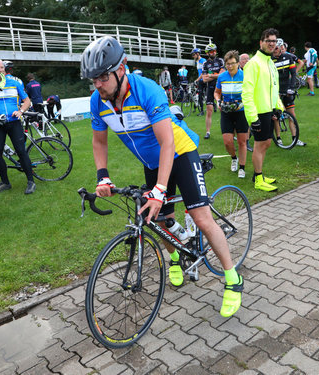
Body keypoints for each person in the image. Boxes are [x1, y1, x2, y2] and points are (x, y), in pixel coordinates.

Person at [81, 36, 244, 318]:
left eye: (103, 77)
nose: (98, 85)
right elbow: (100, 142)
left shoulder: (148, 91)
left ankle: (233, 279)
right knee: (157, 219)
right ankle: (176, 258)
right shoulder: (99, 101)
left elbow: (167, 143)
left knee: (202, 217)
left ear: (122, 68)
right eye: (93, 79)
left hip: (179, 152)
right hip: (152, 162)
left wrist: (158, 189)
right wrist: (103, 176)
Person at [0, 58, 36, 195]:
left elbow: (27, 101)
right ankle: (5, 182)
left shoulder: (14, 83)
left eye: (2, 68)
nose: (0, 70)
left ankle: (31, 181)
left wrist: (20, 111)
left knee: (21, 151)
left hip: (14, 122)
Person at [242, 28, 284, 192]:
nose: (272, 44)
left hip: (268, 110)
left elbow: (274, 88)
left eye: (274, 41)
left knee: (266, 142)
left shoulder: (270, 63)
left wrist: (278, 107)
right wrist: (253, 118)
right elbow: (247, 93)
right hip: (258, 112)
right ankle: (258, 179)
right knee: (260, 144)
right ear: (261, 42)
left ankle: (258, 174)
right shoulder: (253, 63)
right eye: (269, 41)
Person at [214, 50, 248, 178]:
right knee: (227, 142)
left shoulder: (244, 76)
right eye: (227, 64)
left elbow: (250, 93)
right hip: (226, 111)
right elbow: (217, 92)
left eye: (232, 63)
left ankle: (242, 168)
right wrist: (218, 101)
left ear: (238, 63)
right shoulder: (222, 77)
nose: (230, 66)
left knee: (242, 142)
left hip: (241, 111)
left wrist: (242, 103)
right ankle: (234, 158)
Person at [272, 38, 306, 147]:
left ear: (281, 47)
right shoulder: (269, 60)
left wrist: (291, 88)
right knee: (276, 116)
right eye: (274, 48)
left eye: (277, 48)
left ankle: (295, 138)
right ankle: (278, 138)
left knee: (292, 115)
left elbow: (293, 74)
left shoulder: (288, 57)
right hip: (276, 91)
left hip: (287, 89)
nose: (275, 50)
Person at [202, 43, 225, 139]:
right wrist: (215, 75)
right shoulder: (205, 64)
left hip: (221, 88)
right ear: (207, 53)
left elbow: (222, 75)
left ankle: (228, 131)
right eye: (211, 51)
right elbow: (204, 79)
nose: (214, 52)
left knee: (224, 109)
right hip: (210, 88)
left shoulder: (220, 61)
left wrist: (210, 75)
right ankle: (208, 132)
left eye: (215, 51)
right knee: (209, 110)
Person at [192, 48, 206, 116]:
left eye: (193, 55)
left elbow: (203, 72)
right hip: (200, 81)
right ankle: (202, 111)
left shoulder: (203, 61)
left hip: (205, 80)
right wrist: (198, 80)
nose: (193, 56)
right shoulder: (196, 61)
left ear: (198, 54)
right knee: (200, 95)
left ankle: (214, 106)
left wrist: (197, 79)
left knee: (209, 95)